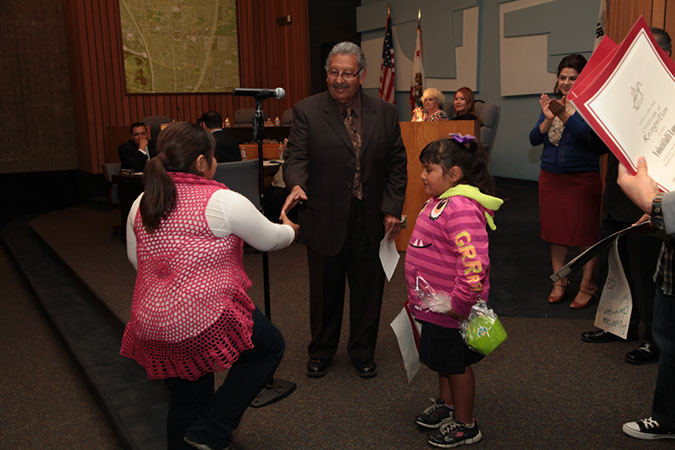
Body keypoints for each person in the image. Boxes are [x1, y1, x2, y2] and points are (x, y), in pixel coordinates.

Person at [119, 121, 298, 450]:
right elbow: (270, 239)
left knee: (187, 402)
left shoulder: (142, 201)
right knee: (269, 348)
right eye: (213, 157)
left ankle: (202, 433)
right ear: (202, 162)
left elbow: (136, 259)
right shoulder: (222, 201)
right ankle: (213, 430)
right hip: (202, 320)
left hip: (152, 320)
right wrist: (291, 230)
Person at [281, 41, 407, 379]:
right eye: (333, 73)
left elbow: (397, 164)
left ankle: (362, 350)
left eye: (347, 73)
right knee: (325, 290)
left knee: (369, 289)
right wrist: (296, 183)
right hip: (324, 214)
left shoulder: (385, 112)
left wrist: (392, 208)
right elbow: (296, 158)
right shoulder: (307, 110)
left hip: (370, 217)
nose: (339, 80)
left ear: (362, 75)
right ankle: (321, 349)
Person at [580, 27, 672, 365]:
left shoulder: (669, 97)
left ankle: (654, 340)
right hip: (616, 202)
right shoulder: (623, 97)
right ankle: (619, 326)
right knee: (614, 269)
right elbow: (595, 146)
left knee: (648, 274)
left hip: (653, 205)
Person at [406, 136, 502, 448]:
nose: (422, 175)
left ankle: (466, 424)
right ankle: (447, 406)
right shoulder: (439, 201)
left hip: (453, 309)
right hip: (435, 307)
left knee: (456, 366)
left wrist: (461, 303)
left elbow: (474, 263)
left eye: (428, 169)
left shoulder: (459, 207)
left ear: (454, 174)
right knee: (443, 362)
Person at [529, 53, 601, 309]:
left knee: (585, 234)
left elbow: (591, 139)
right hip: (551, 178)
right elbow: (533, 139)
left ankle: (587, 285)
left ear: (583, 80)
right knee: (556, 233)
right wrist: (549, 117)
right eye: (563, 77)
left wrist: (566, 115)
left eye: (573, 78)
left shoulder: (592, 104)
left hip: (582, 178)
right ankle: (560, 281)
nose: (566, 82)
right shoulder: (553, 103)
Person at [617, 157, 675, 440]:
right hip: (671, 269)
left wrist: (655, 203)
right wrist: (662, 214)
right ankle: (667, 418)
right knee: (668, 343)